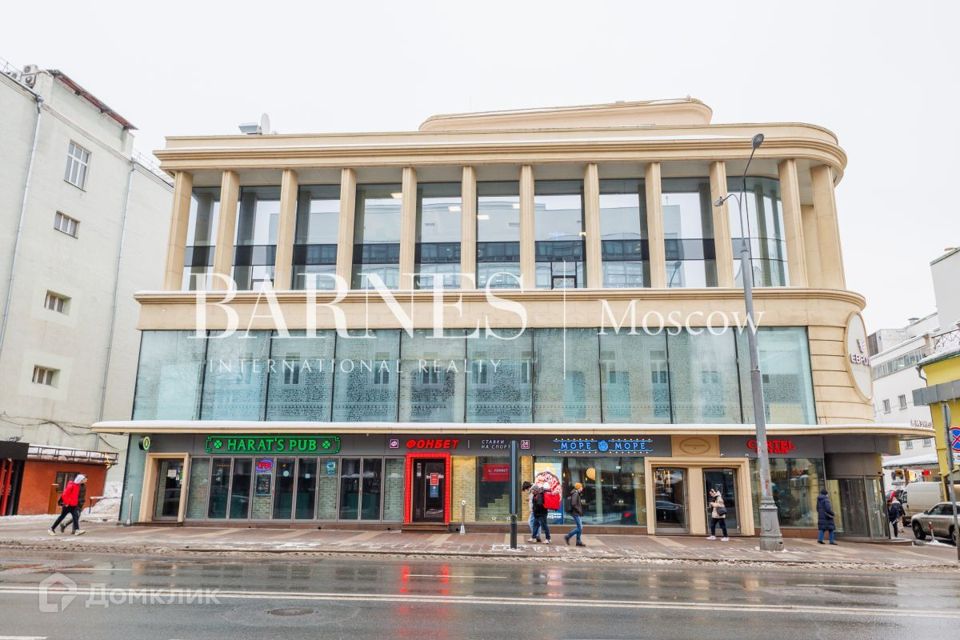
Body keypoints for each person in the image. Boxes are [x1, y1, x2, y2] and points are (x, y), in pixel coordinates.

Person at [564, 482, 585, 547]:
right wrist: (579, 510)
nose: (582, 488)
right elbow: (573, 504)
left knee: (580, 527)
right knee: (580, 527)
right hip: (576, 513)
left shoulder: (576, 493)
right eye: (581, 487)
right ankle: (568, 536)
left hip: (576, 513)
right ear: (578, 487)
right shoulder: (575, 494)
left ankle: (578, 541)